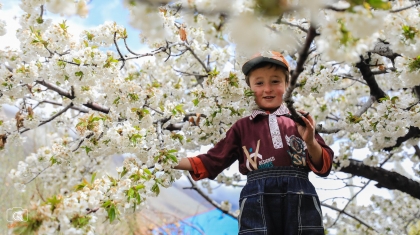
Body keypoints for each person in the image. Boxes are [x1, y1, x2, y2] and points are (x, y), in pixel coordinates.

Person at [175, 51, 334, 235]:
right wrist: (169, 161)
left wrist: (310, 141)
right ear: (249, 88)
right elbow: (212, 161)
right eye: (259, 83)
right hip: (257, 197)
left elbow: (324, 165)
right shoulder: (242, 127)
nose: (267, 89)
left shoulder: (300, 121)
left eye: (275, 81)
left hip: (299, 193)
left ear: (287, 84)